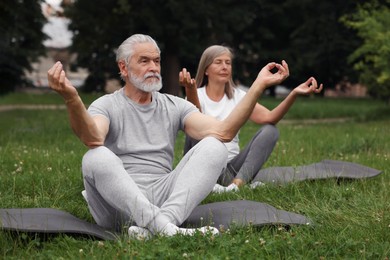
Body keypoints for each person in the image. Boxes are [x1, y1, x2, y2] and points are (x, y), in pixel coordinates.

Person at [47, 34, 309, 239]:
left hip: (163, 195)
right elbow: (92, 137)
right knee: (95, 156)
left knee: (215, 147)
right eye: (144, 61)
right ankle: (166, 227)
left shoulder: (174, 105)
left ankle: (161, 224)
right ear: (124, 68)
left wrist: (258, 85)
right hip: (118, 206)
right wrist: (72, 98)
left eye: (157, 61)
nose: (154, 67)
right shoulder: (106, 105)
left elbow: (225, 132)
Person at [179, 45, 323, 193]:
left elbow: (270, 118)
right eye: (218, 62)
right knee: (195, 131)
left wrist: (294, 93)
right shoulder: (196, 95)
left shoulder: (240, 96)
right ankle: (210, 184)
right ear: (206, 69)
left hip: (230, 170)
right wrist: (190, 91)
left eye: (228, 63)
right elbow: (196, 122)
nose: (224, 67)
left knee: (270, 130)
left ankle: (236, 186)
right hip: (203, 167)